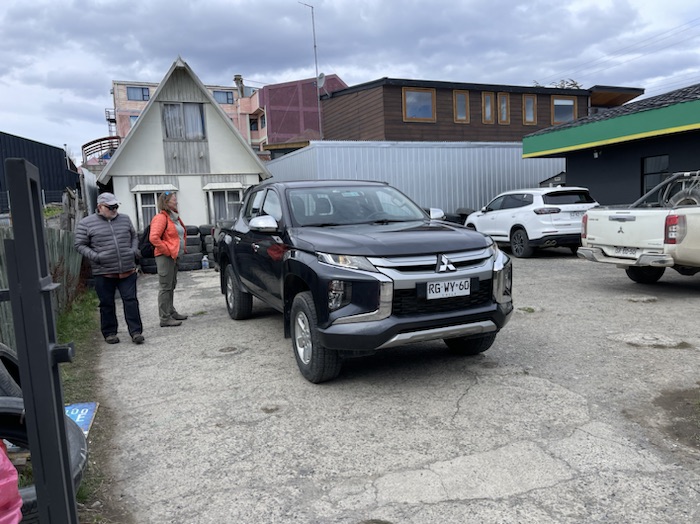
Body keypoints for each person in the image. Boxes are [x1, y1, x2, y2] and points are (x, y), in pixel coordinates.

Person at [75, 192, 144, 344]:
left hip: (127, 269)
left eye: (116, 206)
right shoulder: (86, 223)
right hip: (103, 271)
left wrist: (133, 251)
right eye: (110, 207)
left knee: (131, 300)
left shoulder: (125, 219)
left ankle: (136, 332)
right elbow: (79, 244)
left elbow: (134, 236)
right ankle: (110, 333)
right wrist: (96, 257)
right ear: (100, 207)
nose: (114, 210)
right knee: (106, 303)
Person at [149, 191, 188, 327]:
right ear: (166, 202)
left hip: (173, 256)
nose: (176, 201)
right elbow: (154, 238)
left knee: (171, 285)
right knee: (165, 287)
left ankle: (171, 311)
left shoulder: (174, 217)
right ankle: (164, 318)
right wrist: (167, 250)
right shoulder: (160, 218)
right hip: (165, 257)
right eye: (173, 199)